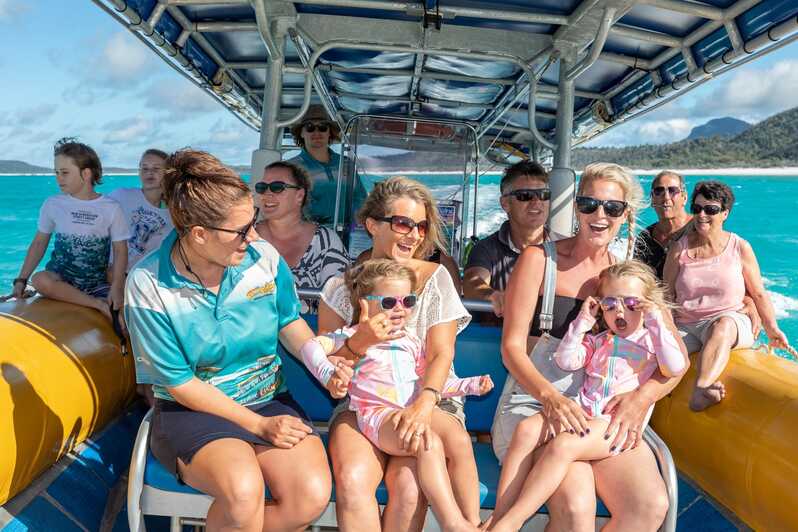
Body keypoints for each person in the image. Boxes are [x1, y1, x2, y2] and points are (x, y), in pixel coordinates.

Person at [125, 149, 352, 531]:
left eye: (252, 223)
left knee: (310, 496)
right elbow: (180, 384)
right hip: (190, 412)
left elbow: (289, 322)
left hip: (268, 398)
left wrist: (324, 366)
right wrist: (259, 427)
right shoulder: (148, 284)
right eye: (241, 230)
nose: (254, 236)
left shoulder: (263, 257)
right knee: (243, 494)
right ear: (199, 234)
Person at [493, 162, 689, 531]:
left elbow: (677, 362)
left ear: (625, 215)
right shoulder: (540, 260)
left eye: (612, 208)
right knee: (577, 508)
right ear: (576, 208)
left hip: (601, 415)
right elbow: (511, 349)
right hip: (536, 404)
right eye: (589, 204)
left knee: (649, 505)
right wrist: (552, 398)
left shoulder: (630, 279)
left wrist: (640, 399)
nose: (600, 216)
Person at [319, 176, 479, 530]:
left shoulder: (436, 279)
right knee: (353, 480)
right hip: (364, 402)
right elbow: (327, 368)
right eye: (404, 223)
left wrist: (423, 406)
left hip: (430, 397)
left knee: (409, 488)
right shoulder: (340, 288)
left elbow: (441, 354)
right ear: (372, 224)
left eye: (421, 226)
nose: (414, 235)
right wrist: (359, 342)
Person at [304, 259, 493, 531]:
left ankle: (472, 521)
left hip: (407, 409)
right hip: (378, 416)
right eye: (389, 302)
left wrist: (470, 385)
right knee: (426, 440)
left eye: (408, 301)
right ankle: (452, 523)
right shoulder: (351, 335)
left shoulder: (411, 341)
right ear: (366, 305)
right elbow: (310, 348)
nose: (400, 308)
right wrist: (328, 372)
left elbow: (426, 382)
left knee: (459, 442)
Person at [663, 180, 790, 411]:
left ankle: (702, 388)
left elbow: (758, 293)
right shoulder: (679, 249)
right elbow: (666, 294)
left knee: (722, 325)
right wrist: (667, 332)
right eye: (697, 208)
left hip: (730, 321)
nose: (702, 215)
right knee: (655, 359)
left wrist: (772, 329)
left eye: (710, 209)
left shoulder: (739, 247)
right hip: (687, 325)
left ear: (725, 213)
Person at [12, 138, 129, 323]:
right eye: (56, 172)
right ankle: (97, 305)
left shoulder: (111, 207)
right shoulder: (53, 204)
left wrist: (117, 287)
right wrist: (21, 280)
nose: (58, 178)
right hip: (61, 280)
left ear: (86, 173)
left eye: (65, 172)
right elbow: (39, 243)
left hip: (96, 281)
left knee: (123, 322)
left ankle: (98, 301)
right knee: (39, 279)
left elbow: (121, 250)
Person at [463, 160, 565, 318]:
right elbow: (472, 281)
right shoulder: (486, 249)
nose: (536, 202)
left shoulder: (565, 247)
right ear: (505, 203)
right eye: (525, 196)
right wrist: (491, 295)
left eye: (543, 195)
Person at [255, 161, 350, 313]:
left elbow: (339, 304)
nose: (267, 194)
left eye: (277, 187)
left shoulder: (326, 242)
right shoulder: (246, 237)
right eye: (261, 187)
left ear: (299, 195)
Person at [109, 148, 173, 272]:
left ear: (167, 174)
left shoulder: (174, 214)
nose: (149, 172)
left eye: (156, 168)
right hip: (111, 270)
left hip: (142, 277)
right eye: (144, 168)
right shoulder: (122, 196)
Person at [286, 105, 345, 225]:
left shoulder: (346, 164)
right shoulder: (290, 168)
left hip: (347, 233)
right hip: (306, 234)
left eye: (323, 127)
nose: (316, 132)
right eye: (310, 127)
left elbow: (360, 200)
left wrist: (354, 228)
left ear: (329, 132)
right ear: (301, 133)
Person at [633, 171, 692, 279]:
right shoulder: (646, 238)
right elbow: (639, 279)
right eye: (659, 191)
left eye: (673, 190)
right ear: (652, 199)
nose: (666, 197)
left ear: (684, 197)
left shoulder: (698, 228)